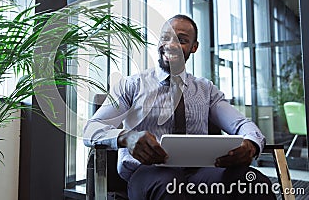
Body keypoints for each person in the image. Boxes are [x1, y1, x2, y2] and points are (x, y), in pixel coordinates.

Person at [83, 14, 276, 199]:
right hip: (148, 173)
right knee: (169, 185)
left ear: (194, 47)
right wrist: (127, 137)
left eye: (181, 40)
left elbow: (241, 124)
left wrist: (251, 144)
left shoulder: (205, 89)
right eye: (166, 38)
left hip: (200, 174)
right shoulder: (131, 85)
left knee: (252, 182)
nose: (171, 45)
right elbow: (91, 129)